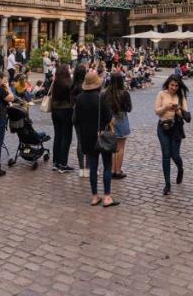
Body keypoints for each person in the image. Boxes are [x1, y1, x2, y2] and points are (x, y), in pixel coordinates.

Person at [73, 71, 116, 207]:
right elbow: (109, 117)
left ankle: (94, 196)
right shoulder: (102, 97)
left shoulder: (79, 98)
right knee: (107, 166)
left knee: (93, 167)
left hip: (87, 136)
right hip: (102, 135)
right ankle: (107, 197)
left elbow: (76, 119)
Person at [155, 72, 191, 196]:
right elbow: (157, 111)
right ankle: (167, 184)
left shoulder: (181, 97)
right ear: (168, 84)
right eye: (172, 85)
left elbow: (188, 117)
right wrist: (165, 107)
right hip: (163, 127)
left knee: (175, 155)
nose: (174, 88)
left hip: (176, 128)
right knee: (166, 155)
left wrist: (178, 110)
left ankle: (180, 168)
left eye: (176, 86)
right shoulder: (161, 94)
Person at [48, 65, 76, 173]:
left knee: (58, 136)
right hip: (66, 110)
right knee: (66, 137)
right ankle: (63, 163)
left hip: (55, 111)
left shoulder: (55, 83)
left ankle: (56, 162)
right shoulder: (69, 83)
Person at [105, 72, 132, 180]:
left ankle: (111, 170)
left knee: (112, 147)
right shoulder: (124, 93)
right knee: (120, 147)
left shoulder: (106, 93)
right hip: (121, 119)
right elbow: (129, 108)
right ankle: (118, 170)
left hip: (110, 120)